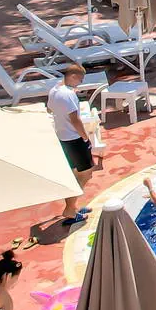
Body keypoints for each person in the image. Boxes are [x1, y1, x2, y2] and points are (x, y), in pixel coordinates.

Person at [47, 65, 94, 225]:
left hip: (63, 138)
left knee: (74, 174)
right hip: (74, 139)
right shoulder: (68, 94)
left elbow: (50, 110)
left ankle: (72, 207)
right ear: (73, 76)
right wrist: (86, 137)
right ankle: (69, 210)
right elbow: (75, 120)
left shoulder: (54, 90)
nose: (80, 83)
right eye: (80, 80)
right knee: (85, 174)